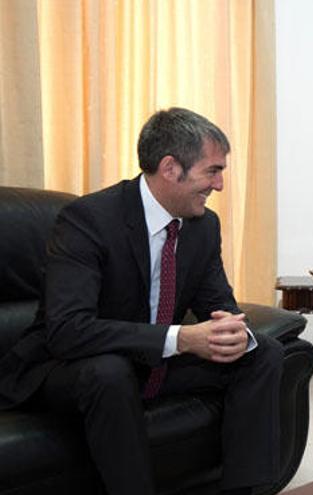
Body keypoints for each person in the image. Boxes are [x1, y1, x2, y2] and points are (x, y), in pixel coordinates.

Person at [0, 108, 282, 495]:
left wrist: (232, 330)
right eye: (212, 171)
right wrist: (182, 339)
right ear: (170, 168)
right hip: (69, 365)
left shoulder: (203, 225)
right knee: (109, 371)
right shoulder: (87, 221)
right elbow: (67, 331)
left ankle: (246, 490)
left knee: (261, 351)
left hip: (149, 362)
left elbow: (218, 303)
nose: (218, 185)